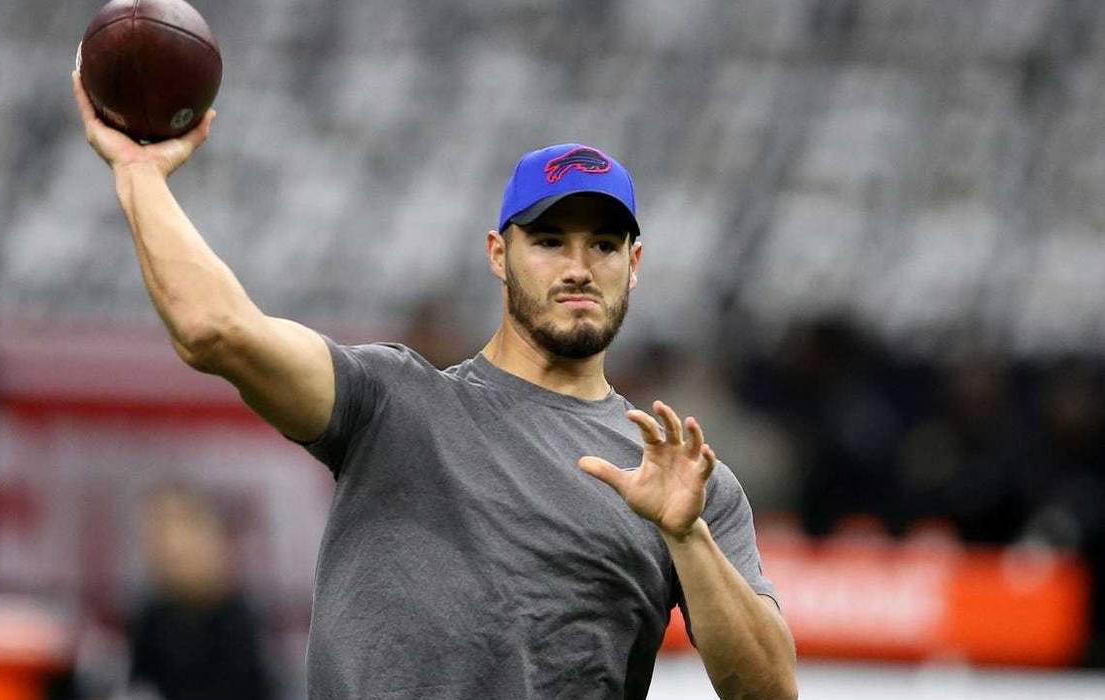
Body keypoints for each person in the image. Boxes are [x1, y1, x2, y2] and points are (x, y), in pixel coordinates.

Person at [71, 72, 797, 700]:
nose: (578, 266)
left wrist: (685, 536)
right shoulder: (392, 402)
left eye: (603, 245)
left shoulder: (682, 485)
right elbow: (215, 331)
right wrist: (138, 174)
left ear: (633, 264)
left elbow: (767, 692)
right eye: (549, 241)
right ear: (496, 254)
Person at [127, 485, 276, 700]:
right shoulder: (152, 617)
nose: (165, 543)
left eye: (174, 526)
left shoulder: (237, 618)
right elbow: (138, 686)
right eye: (154, 530)